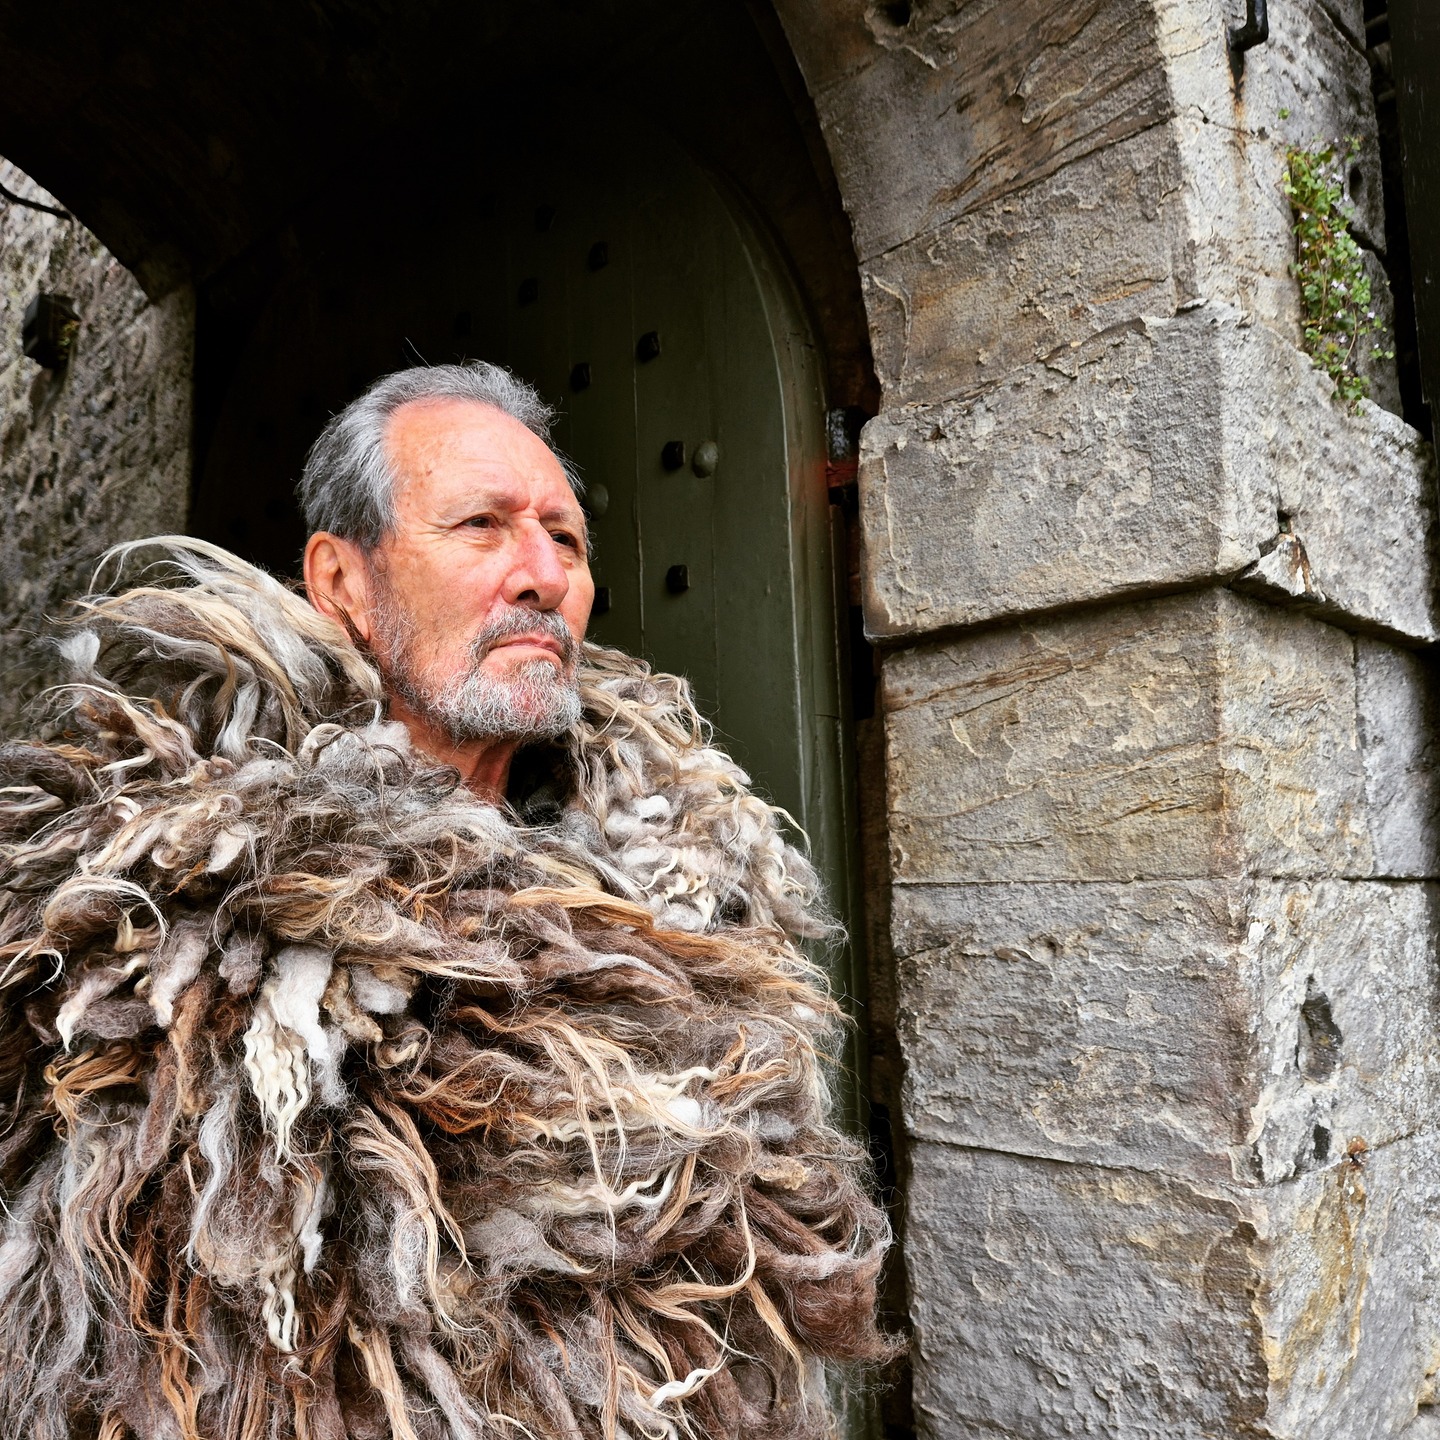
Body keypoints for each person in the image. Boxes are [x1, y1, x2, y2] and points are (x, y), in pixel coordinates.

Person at [0, 363, 891, 1440]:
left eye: (567, 540)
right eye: (481, 525)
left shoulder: (699, 887)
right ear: (341, 580)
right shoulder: (164, 916)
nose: (543, 575)